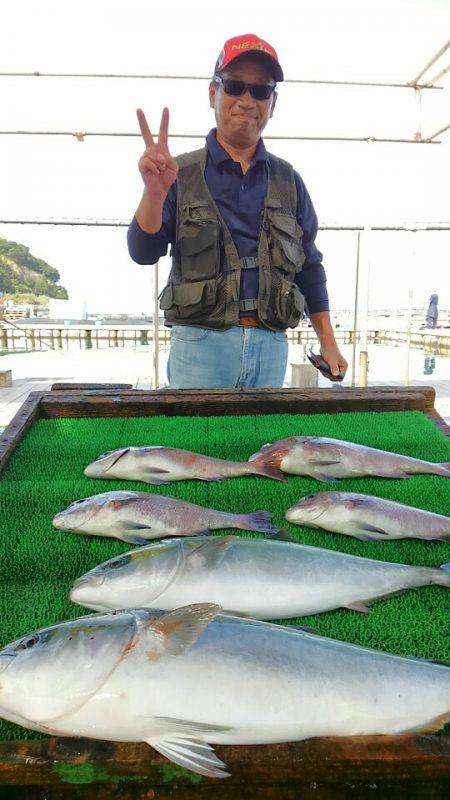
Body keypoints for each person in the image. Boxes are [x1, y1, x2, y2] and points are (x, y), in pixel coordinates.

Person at [127, 33, 348, 389]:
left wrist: (329, 342)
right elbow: (142, 251)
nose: (247, 99)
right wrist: (153, 194)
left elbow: (309, 267)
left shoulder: (289, 181)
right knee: (192, 443)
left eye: (260, 91)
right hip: (199, 346)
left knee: (267, 445)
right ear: (213, 92)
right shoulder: (177, 173)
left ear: (272, 103)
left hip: (271, 345)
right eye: (234, 86)